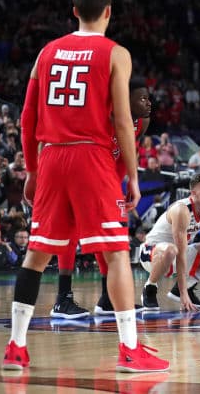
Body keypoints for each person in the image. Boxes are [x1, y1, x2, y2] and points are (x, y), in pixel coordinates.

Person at [5, 0, 168, 372]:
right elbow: (125, 123)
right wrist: (132, 175)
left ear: (74, 11)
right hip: (91, 158)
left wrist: (31, 169)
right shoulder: (115, 53)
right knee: (115, 254)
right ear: (108, 12)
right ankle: (130, 349)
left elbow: (28, 118)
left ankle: (16, 346)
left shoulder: (46, 52)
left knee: (36, 255)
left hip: (52, 157)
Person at [50, 78, 152, 319]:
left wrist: (121, 184)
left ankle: (108, 298)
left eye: (148, 98)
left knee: (107, 234)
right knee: (72, 230)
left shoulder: (142, 122)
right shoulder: (100, 118)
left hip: (108, 178)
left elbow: (126, 152)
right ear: (122, 100)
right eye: (141, 98)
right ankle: (62, 300)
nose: (148, 103)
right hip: (76, 174)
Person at [140, 173, 200, 311]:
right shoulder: (181, 210)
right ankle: (150, 287)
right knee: (172, 250)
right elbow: (180, 254)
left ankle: (183, 287)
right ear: (194, 193)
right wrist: (185, 297)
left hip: (177, 252)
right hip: (152, 254)